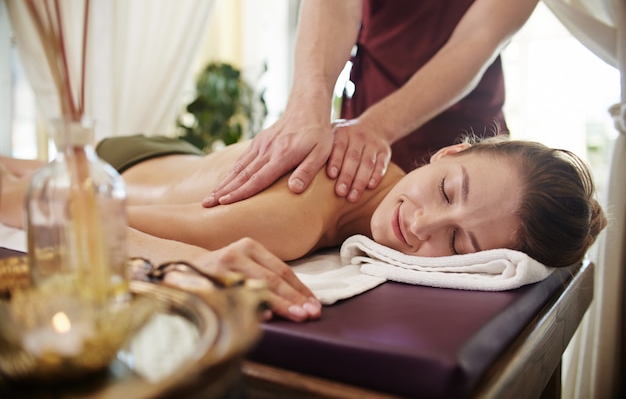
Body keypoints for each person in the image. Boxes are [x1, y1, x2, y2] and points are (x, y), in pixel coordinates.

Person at [0, 134, 607, 321]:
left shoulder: (382, 170)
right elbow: (71, 215)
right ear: (449, 152)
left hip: (178, 154)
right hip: (128, 161)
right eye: (448, 191)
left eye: (458, 245)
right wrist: (179, 263)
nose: (422, 224)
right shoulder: (292, 219)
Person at [203, 0, 551, 209]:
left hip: (463, 136)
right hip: (362, 121)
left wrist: (377, 127)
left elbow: (477, 38)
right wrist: (306, 106)